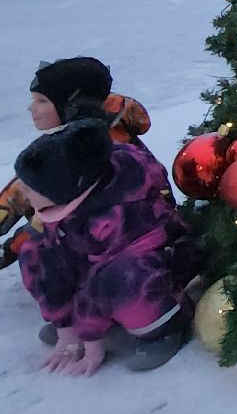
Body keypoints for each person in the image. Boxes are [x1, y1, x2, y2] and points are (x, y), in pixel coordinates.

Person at [14, 118, 200, 375]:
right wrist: (67, 326)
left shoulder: (121, 217)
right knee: (36, 253)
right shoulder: (72, 200)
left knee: (128, 280)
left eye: (30, 188)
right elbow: (56, 257)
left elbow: (106, 279)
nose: (22, 192)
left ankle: (163, 328)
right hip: (99, 272)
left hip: (153, 271)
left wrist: (90, 337)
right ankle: (82, 320)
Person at [0, 58, 160, 273]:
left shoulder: (98, 152)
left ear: (70, 105)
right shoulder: (71, 142)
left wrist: (13, 247)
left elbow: (62, 214)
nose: (31, 108)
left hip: (121, 257)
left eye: (41, 101)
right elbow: (26, 186)